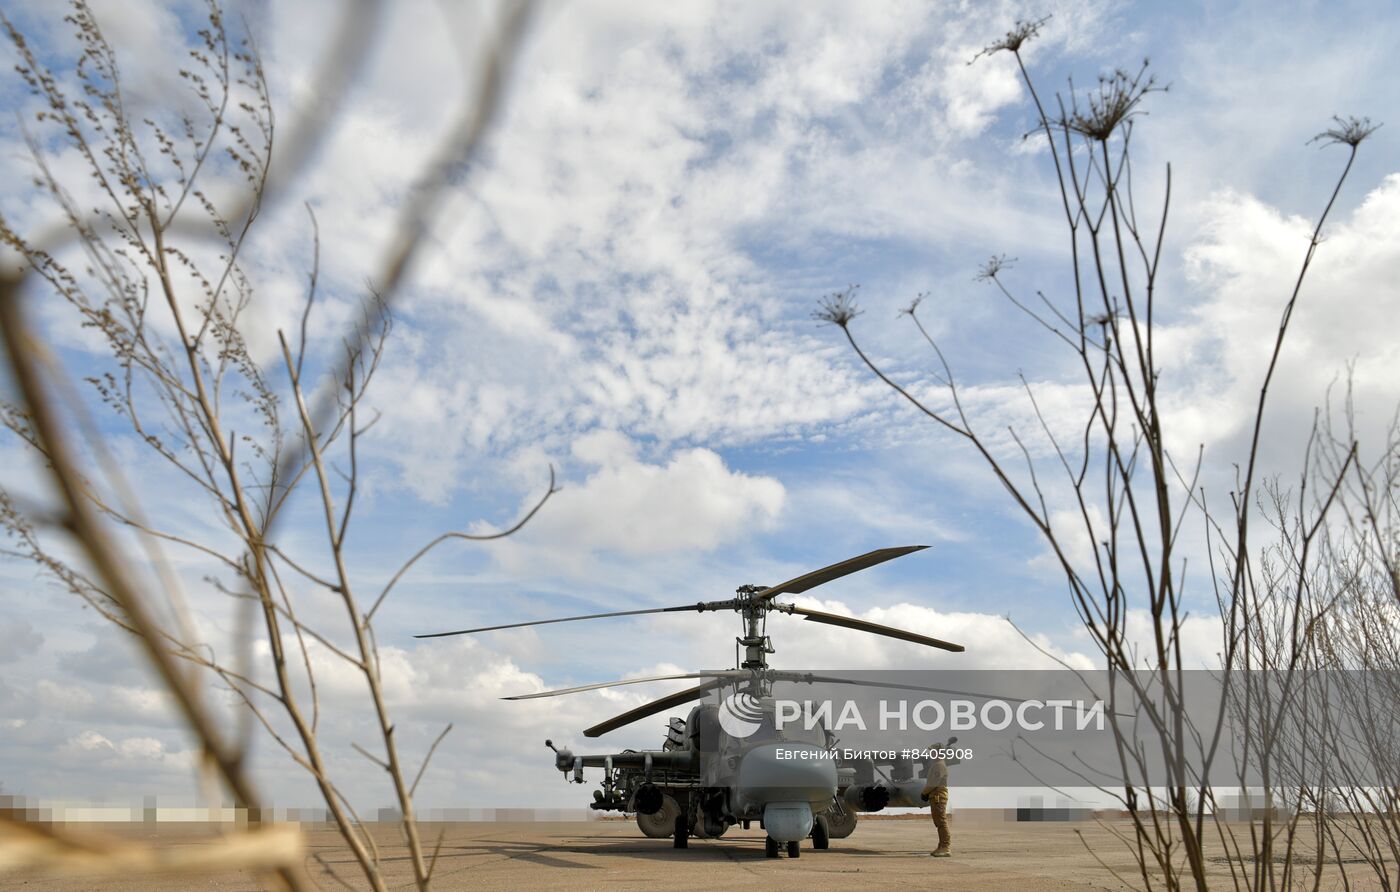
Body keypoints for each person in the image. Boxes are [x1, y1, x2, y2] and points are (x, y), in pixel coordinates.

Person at [920, 737, 959, 857]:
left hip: (938, 796)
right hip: (935, 795)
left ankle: (945, 847)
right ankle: (941, 845)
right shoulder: (937, 764)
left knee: (941, 822)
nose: (930, 752)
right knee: (938, 822)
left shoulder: (939, 765)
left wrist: (924, 792)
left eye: (933, 751)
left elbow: (933, 782)